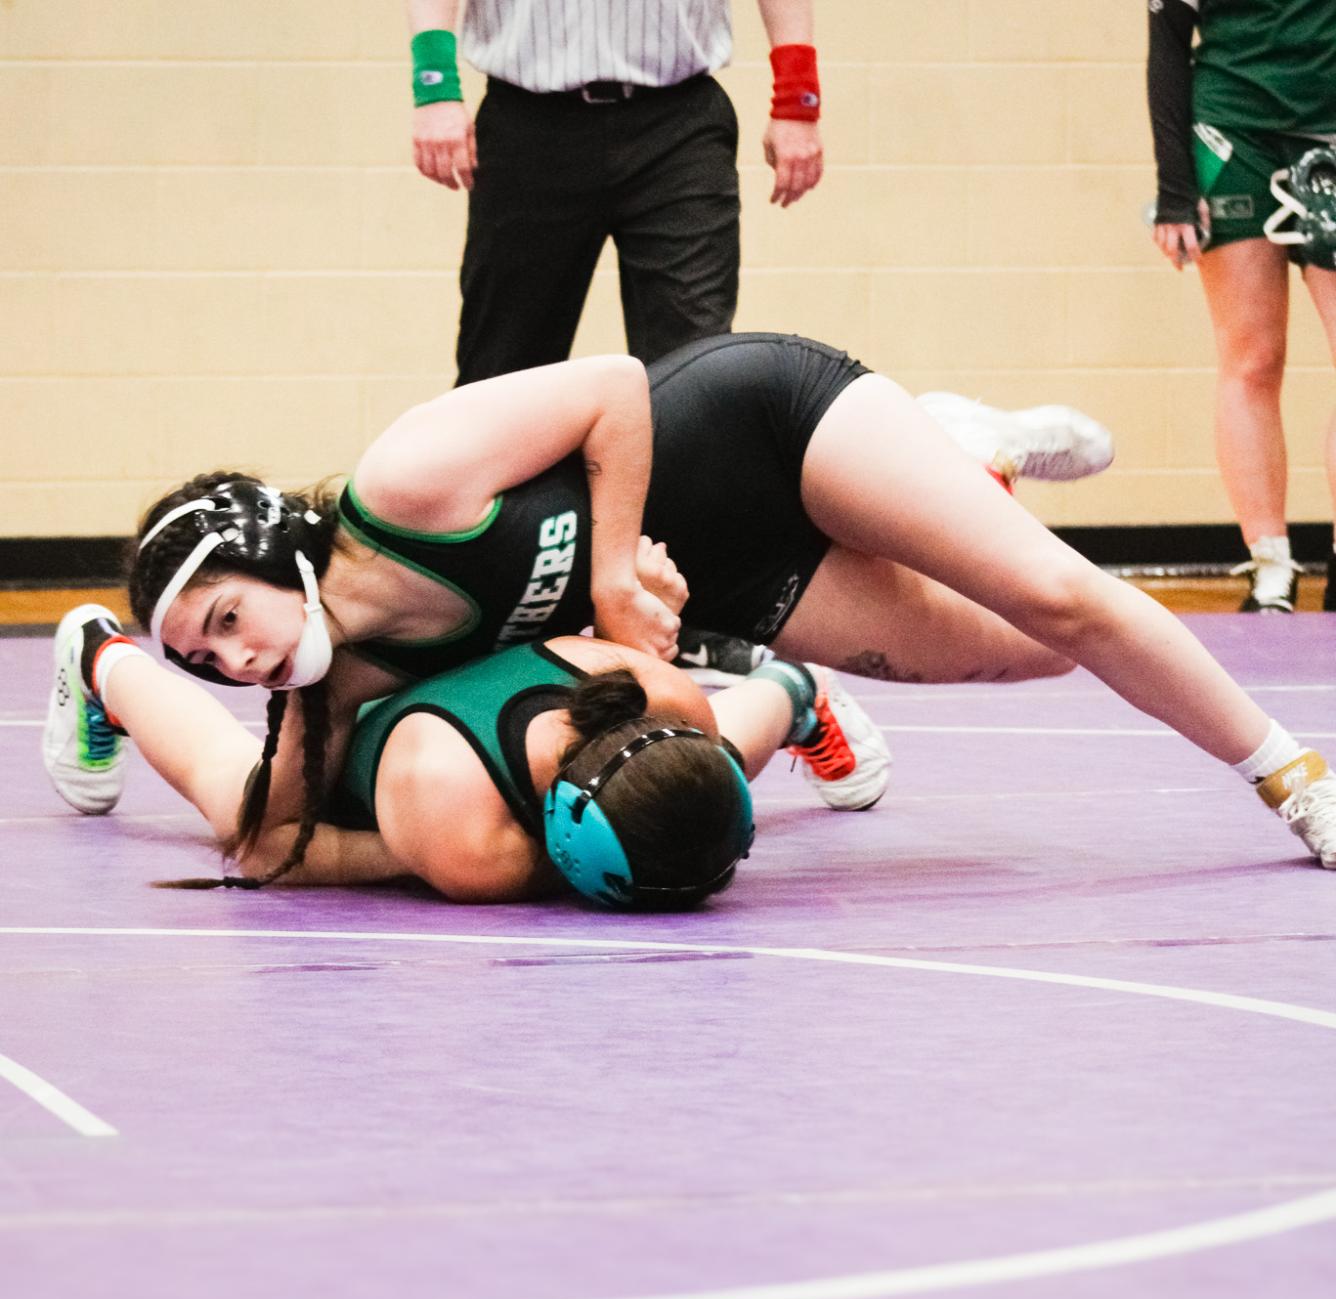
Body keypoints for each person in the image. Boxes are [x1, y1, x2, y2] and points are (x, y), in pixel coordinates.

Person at [44, 333, 1336, 874]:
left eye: (221, 620)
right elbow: (264, 824)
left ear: (272, 552)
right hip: (737, 574)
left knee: (1065, 600)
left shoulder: (407, 483)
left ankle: (1292, 776)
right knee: (1017, 658)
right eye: (200, 662)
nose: (233, 659)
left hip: (760, 427)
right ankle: (972, 458)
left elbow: (612, 383)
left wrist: (610, 567)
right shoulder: (352, 678)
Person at [45, 616, 826, 908]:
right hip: (370, 736)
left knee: (714, 751)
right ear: (571, 849)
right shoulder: (466, 846)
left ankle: (790, 688)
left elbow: (703, 768)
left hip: (454, 692)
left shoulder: (667, 701)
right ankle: (102, 658)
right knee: (238, 801)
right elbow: (270, 851)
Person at [407, 0, 823, 380]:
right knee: (503, 367)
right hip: (528, 122)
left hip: (678, 125)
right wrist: (434, 85)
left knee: (694, 365)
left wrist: (797, 98)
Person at [1147, 0, 1336, 613]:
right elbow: (1168, 46)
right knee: (1251, 356)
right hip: (1232, 133)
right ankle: (1271, 568)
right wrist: (1175, 188)